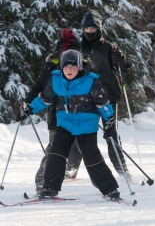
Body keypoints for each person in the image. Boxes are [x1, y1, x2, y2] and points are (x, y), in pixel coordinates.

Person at [18, 49, 120, 199]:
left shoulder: (90, 81)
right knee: (55, 155)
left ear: (79, 67)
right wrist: (30, 109)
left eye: (73, 66)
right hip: (65, 124)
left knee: (92, 158)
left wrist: (109, 121)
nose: (69, 70)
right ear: (61, 67)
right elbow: (45, 99)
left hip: (87, 127)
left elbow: (102, 104)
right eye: (66, 66)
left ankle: (110, 189)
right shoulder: (56, 80)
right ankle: (49, 189)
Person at [16, 28, 90, 194]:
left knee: (80, 146)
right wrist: (27, 103)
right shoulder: (53, 65)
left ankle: (69, 170)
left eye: (70, 50)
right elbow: (39, 85)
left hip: (81, 114)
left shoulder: (84, 64)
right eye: (64, 50)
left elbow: (95, 86)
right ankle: (42, 182)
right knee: (54, 148)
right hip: (57, 114)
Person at [80, 10, 132, 179]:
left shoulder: (109, 47)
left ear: (99, 29)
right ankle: (71, 168)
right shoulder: (77, 47)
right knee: (80, 132)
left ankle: (122, 168)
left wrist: (122, 59)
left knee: (111, 133)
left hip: (108, 95)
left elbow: (126, 68)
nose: (89, 32)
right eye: (86, 28)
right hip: (84, 96)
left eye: (92, 28)